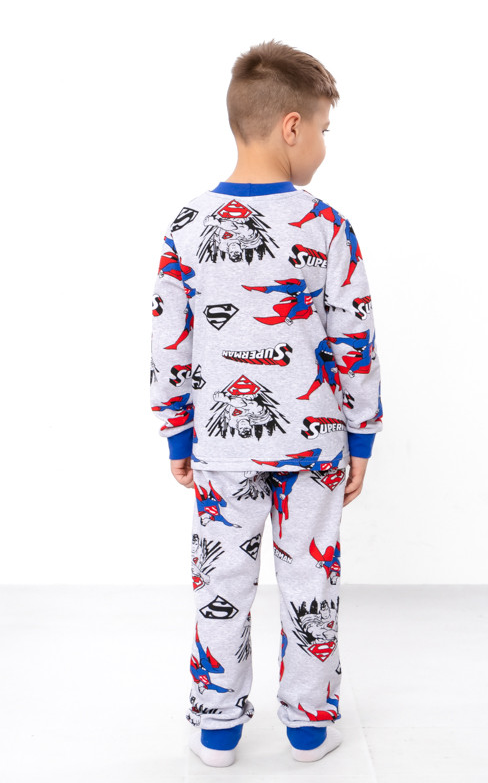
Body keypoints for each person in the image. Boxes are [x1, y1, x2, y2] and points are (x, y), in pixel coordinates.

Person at [150, 39, 384, 768]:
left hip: (220, 450)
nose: (323, 147)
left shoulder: (186, 226)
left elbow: (169, 341)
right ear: (291, 126)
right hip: (314, 447)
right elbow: (354, 340)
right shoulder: (326, 227)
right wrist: (362, 436)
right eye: (322, 130)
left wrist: (178, 435)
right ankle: (308, 728)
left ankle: (217, 729)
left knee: (220, 582)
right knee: (310, 580)